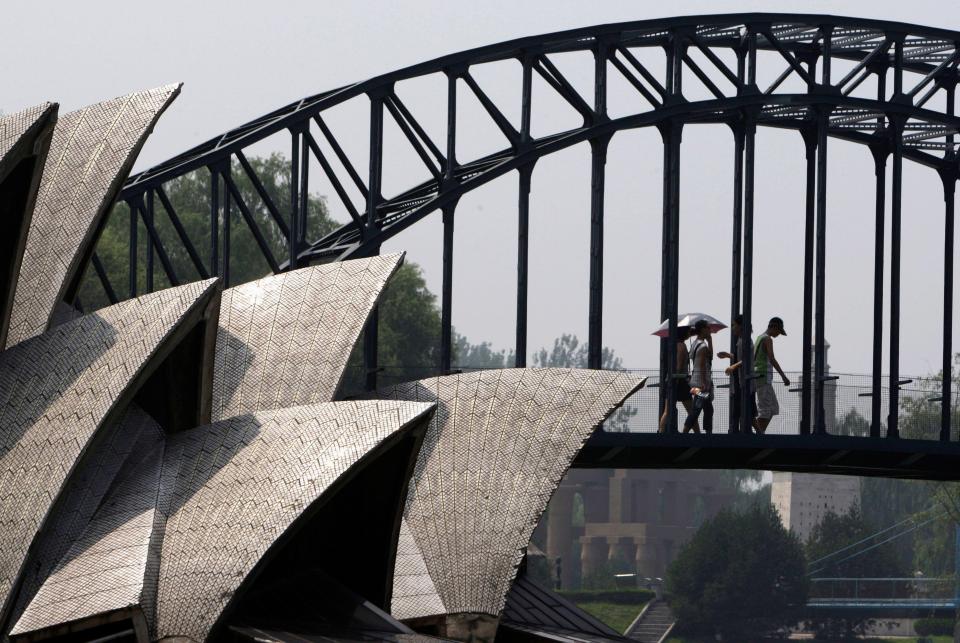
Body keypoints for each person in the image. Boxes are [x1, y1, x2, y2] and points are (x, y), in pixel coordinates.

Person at [751, 316, 790, 434]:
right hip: (763, 377)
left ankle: (760, 431)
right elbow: (772, 358)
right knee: (765, 409)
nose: (778, 334)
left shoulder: (759, 337)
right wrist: (783, 376)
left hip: (761, 377)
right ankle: (759, 433)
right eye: (779, 331)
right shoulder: (767, 339)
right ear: (774, 327)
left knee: (773, 408)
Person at [717, 314, 756, 433]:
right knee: (742, 410)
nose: (732, 328)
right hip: (741, 381)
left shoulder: (745, 340)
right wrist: (729, 355)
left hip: (745, 382)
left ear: (740, 326)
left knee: (744, 410)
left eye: (734, 325)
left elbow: (747, 359)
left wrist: (733, 366)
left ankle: (743, 432)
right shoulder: (740, 340)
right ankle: (749, 431)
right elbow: (741, 357)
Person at [659, 327, 699, 433]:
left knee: (667, 411)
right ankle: (698, 433)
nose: (689, 333)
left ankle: (660, 432)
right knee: (691, 411)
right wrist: (679, 379)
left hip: (673, 380)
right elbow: (680, 366)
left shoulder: (674, 345)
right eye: (688, 332)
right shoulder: (681, 345)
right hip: (679, 381)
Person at [684, 319, 714, 434]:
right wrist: (704, 384)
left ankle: (708, 432)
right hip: (700, 384)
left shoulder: (695, 343)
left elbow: (709, 356)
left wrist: (710, 340)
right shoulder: (702, 347)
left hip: (695, 382)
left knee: (708, 409)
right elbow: (702, 365)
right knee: (697, 409)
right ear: (702, 329)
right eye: (708, 328)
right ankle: (685, 431)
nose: (709, 330)